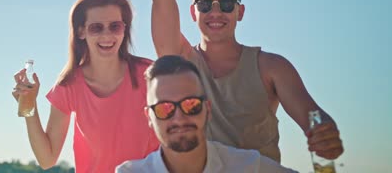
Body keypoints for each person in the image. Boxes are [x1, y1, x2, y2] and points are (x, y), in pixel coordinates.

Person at [150, 0, 343, 162]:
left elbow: (315, 119)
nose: (215, 12)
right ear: (193, 12)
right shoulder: (181, 63)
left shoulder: (272, 68)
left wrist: (326, 136)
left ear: (240, 12)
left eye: (227, 4)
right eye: (205, 4)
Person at [12, 0, 159, 172]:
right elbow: (47, 159)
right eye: (96, 27)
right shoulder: (69, 86)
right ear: (81, 31)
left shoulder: (151, 75)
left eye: (115, 26)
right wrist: (29, 107)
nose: (107, 35)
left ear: (124, 29)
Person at [116, 55, 297, 173]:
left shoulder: (248, 167)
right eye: (165, 108)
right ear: (149, 117)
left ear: (207, 110)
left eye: (191, 105)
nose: (179, 118)